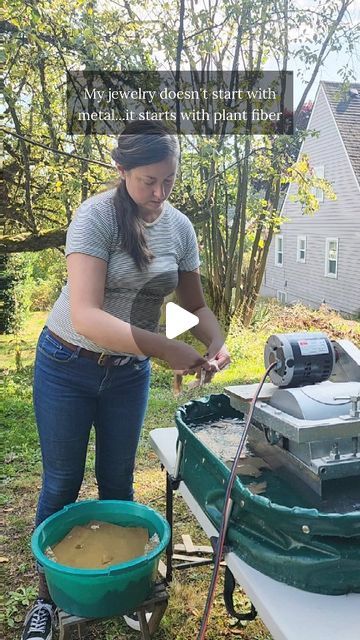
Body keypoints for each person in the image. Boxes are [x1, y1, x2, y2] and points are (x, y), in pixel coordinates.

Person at [22, 120, 230, 640]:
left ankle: (120, 583)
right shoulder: (95, 217)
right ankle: (48, 600)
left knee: (118, 481)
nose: (159, 193)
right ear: (122, 172)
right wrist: (164, 347)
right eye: (148, 181)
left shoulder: (179, 228)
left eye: (168, 181)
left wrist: (215, 341)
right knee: (62, 482)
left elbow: (194, 305)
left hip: (126, 374)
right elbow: (89, 316)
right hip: (67, 363)